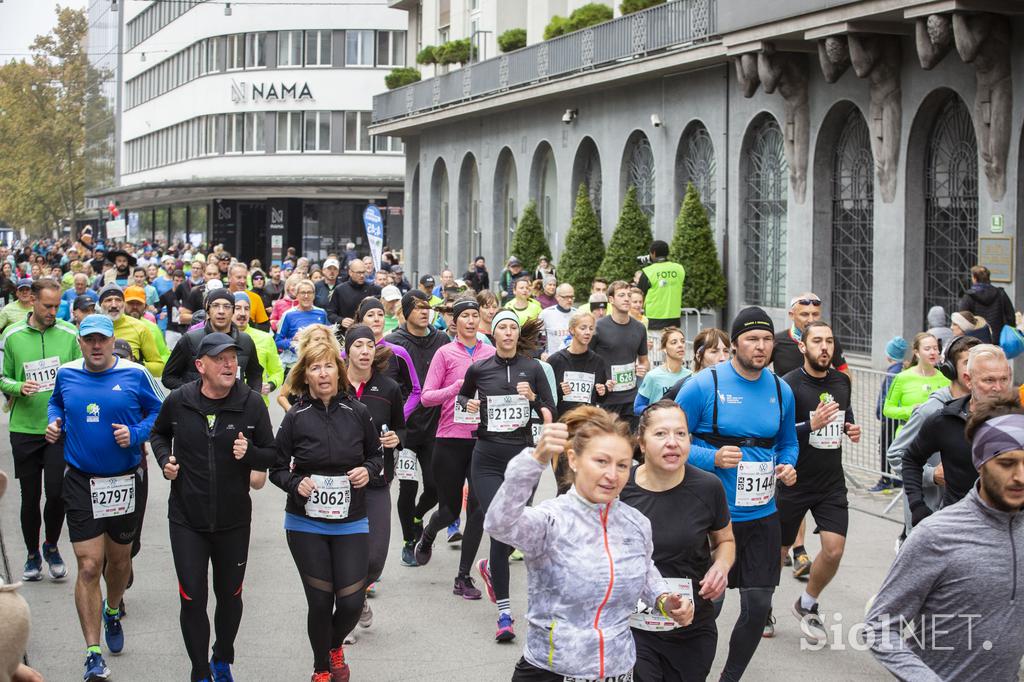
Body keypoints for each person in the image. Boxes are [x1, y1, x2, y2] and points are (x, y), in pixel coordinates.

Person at [484, 406, 693, 679]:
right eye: (601, 462)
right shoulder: (551, 521)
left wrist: (664, 599)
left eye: (622, 465)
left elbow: (644, 570)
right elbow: (499, 523)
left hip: (618, 669)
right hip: (551, 670)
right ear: (573, 460)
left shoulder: (636, 523)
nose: (612, 475)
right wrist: (535, 460)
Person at [674, 306, 798, 679]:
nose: (760, 347)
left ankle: (730, 677)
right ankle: (688, 671)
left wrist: (788, 465)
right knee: (708, 604)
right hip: (709, 515)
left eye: (766, 340)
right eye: (751, 339)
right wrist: (712, 457)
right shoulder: (703, 385)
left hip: (762, 513)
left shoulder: (781, 389)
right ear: (734, 344)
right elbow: (670, 441)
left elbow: (788, 442)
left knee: (758, 605)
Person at [865, 395, 1024, 681]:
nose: (1020, 476)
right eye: (1007, 463)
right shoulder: (937, 535)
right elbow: (878, 627)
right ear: (981, 463)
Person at [150, 332, 276, 682]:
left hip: (233, 521)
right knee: (192, 598)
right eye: (220, 358)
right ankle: (200, 670)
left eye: (233, 357)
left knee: (230, 596)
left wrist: (250, 454)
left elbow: (273, 452)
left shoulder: (251, 403)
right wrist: (165, 460)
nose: (229, 364)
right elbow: (158, 434)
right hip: (187, 519)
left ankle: (222, 657)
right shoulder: (179, 400)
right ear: (200, 365)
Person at [46, 314, 163, 681]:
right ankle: (92, 653)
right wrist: (55, 422)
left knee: (119, 560)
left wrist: (137, 432)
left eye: (102, 339)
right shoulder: (66, 374)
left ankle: (113, 608)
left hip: (125, 480)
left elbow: (162, 411)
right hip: (80, 477)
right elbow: (56, 404)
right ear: (79, 343)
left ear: (113, 341)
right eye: (89, 340)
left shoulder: (134, 374)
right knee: (88, 565)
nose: (96, 346)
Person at [270, 338, 384, 682]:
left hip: (350, 520)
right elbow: (276, 466)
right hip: (305, 522)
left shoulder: (357, 412)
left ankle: (333, 645)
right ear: (306, 375)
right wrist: (294, 483)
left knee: (350, 602)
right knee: (320, 602)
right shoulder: (296, 418)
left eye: (329, 366)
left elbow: (377, 455)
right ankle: (321, 668)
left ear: (340, 371)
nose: (323, 373)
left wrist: (368, 469)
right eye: (315, 367)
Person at [458, 310, 555, 641]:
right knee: (498, 527)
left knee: (511, 530)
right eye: (503, 328)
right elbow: (462, 399)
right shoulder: (479, 368)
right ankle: (505, 615)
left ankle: (488, 568)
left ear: (517, 334)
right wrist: (468, 407)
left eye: (513, 327)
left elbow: (550, 410)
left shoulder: (534, 368)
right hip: (486, 457)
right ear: (494, 335)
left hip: (522, 459)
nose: (509, 332)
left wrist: (533, 399)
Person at [621, 400, 735, 682]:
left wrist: (720, 567)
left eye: (680, 434)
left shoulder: (709, 487)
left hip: (691, 628)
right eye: (660, 434)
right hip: (633, 628)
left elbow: (725, 540)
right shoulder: (620, 489)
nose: (672, 442)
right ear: (642, 443)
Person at [777, 321, 860, 643]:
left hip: (830, 482)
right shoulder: (789, 385)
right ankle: (762, 606)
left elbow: (845, 415)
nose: (824, 347)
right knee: (778, 552)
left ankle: (807, 603)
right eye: (817, 341)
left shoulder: (842, 381)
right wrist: (809, 424)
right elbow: (778, 434)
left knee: (834, 550)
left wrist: (850, 428)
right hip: (795, 478)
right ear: (803, 347)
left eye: (829, 341)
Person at [0, 278, 81, 582]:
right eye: (47, 305)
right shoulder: (12, 335)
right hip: (25, 428)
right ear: (31, 301)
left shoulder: (70, 334)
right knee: (30, 496)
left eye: (57, 305)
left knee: (57, 493)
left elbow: (78, 376)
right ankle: (32, 554)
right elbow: (2, 378)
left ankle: (51, 546)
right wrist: (20, 387)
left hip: (59, 427)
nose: (52, 311)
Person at [414, 298, 494, 598]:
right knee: (448, 511)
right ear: (455, 322)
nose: (472, 321)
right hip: (449, 439)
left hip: (482, 440)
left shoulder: (491, 353)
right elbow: (426, 397)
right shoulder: (444, 353)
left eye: (476, 315)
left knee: (477, 511)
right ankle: (429, 534)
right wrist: (457, 389)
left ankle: (463, 577)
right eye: (465, 316)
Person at [902, 344, 1013, 525]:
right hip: (958, 528)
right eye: (989, 380)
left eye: (1004, 379)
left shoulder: (1018, 421)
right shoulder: (944, 420)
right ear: (968, 380)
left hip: (1008, 528)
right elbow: (910, 459)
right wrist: (917, 505)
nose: (998, 388)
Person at [342, 324, 406, 626]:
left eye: (370, 345)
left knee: (375, 557)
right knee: (345, 555)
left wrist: (397, 439)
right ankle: (349, 613)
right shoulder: (335, 384)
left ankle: (360, 593)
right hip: (339, 481)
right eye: (358, 345)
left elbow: (401, 426)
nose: (365, 351)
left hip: (377, 480)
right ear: (348, 350)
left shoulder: (388, 388)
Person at [887, 335, 980, 540]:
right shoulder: (932, 410)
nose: (975, 369)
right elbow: (896, 454)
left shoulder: (983, 411)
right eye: (968, 363)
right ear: (951, 369)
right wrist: (931, 475)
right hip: (930, 520)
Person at [384, 291, 447, 566]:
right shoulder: (393, 343)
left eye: (428, 307)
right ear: (406, 311)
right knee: (408, 488)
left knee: (435, 487)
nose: (425, 312)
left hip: (435, 425)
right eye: (419, 308)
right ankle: (409, 541)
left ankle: (418, 516)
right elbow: (391, 386)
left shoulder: (441, 339)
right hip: (406, 429)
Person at [163, 288, 263, 393]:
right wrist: (192, 394)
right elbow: (168, 377)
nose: (221, 311)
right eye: (215, 306)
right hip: (197, 407)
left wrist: (251, 399)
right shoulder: (190, 339)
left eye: (227, 306)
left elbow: (255, 375)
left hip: (233, 407)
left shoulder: (245, 341)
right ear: (208, 310)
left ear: (233, 311)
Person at [590, 280, 649, 430]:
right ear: (611, 300)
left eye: (629, 295)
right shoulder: (598, 327)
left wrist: (642, 368)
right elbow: (588, 360)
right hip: (607, 398)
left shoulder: (640, 328)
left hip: (632, 397)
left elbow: (644, 360)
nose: (627, 299)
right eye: (621, 295)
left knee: (631, 445)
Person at [882, 332, 950, 439]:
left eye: (935, 348)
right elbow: (887, 409)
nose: (932, 352)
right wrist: (911, 410)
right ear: (917, 353)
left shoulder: (945, 379)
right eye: (927, 349)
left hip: (936, 438)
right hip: (908, 436)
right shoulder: (902, 377)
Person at [546, 310, 610, 421]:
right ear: (572, 330)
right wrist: (559, 391)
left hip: (587, 423)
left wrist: (604, 391)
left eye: (591, 328)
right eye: (583, 328)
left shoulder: (598, 361)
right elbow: (546, 397)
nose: (587, 332)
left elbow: (600, 398)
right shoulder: (555, 360)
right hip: (562, 422)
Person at [771, 293, 849, 377]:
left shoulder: (829, 340)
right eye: (804, 314)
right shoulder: (776, 340)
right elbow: (757, 370)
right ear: (792, 315)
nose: (811, 320)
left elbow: (844, 372)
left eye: (815, 314)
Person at [98, 284, 165, 377]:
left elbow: (159, 368)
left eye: (118, 300)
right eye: (108, 300)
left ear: (123, 304)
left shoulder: (140, 327)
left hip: (130, 385)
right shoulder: (92, 327)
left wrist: (136, 364)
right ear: (100, 305)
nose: (114, 305)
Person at [869, 336, 908, 493]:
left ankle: (885, 479)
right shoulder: (900, 369)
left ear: (889, 355)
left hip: (889, 417)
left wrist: (881, 412)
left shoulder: (894, 373)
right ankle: (896, 477)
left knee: (885, 447)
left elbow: (888, 396)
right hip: (894, 417)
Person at [232, 293, 283, 406]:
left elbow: (277, 371)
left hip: (257, 405)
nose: (242, 313)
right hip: (227, 405)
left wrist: (270, 385)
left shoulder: (265, 338)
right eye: (238, 308)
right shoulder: (219, 338)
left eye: (246, 309)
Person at [663, 327, 731, 402]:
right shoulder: (683, 387)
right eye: (714, 351)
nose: (723, 358)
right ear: (698, 356)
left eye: (726, 351)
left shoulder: (733, 384)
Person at [634, 327, 690, 415]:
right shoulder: (653, 376)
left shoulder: (690, 376)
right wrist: (656, 413)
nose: (680, 345)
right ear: (664, 348)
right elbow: (638, 407)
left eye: (682, 341)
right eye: (674, 342)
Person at [276, 280, 329, 367]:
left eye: (309, 292)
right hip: (295, 362)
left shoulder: (321, 313)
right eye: (302, 293)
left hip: (318, 361)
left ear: (314, 295)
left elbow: (329, 336)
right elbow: (278, 342)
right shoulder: (288, 315)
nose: (306, 296)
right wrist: (293, 341)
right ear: (297, 295)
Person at [637, 240, 684, 338]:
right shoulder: (679, 269)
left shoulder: (648, 271)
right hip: (674, 320)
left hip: (653, 321)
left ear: (653, 253)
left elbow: (639, 293)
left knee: (655, 352)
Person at [958, 264, 1015, 341]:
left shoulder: (969, 297)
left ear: (975, 278)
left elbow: (962, 319)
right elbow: (1010, 317)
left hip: (975, 340)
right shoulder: (1000, 293)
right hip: (999, 339)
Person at [329, 259, 381, 331]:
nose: (362, 275)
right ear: (350, 272)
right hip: (346, 333)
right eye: (359, 273)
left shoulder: (374, 289)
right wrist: (341, 320)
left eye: (363, 272)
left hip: (369, 333)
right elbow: (330, 313)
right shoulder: (340, 290)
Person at [124, 286, 170, 362]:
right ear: (123, 304)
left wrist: (144, 366)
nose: (135, 307)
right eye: (131, 303)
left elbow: (164, 355)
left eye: (139, 303)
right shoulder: (115, 325)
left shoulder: (153, 328)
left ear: (145, 306)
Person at [226, 263, 269, 330]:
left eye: (245, 277)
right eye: (239, 277)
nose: (243, 281)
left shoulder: (255, 298)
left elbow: (264, 325)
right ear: (229, 278)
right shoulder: (222, 297)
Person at [537, 283, 574, 357]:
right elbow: (537, 338)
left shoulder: (578, 314)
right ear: (557, 297)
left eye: (572, 297)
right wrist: (541, 353)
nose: (570, 300)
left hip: (573, 358)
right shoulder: (546, 314)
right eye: (566, 297)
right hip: (553, 358)